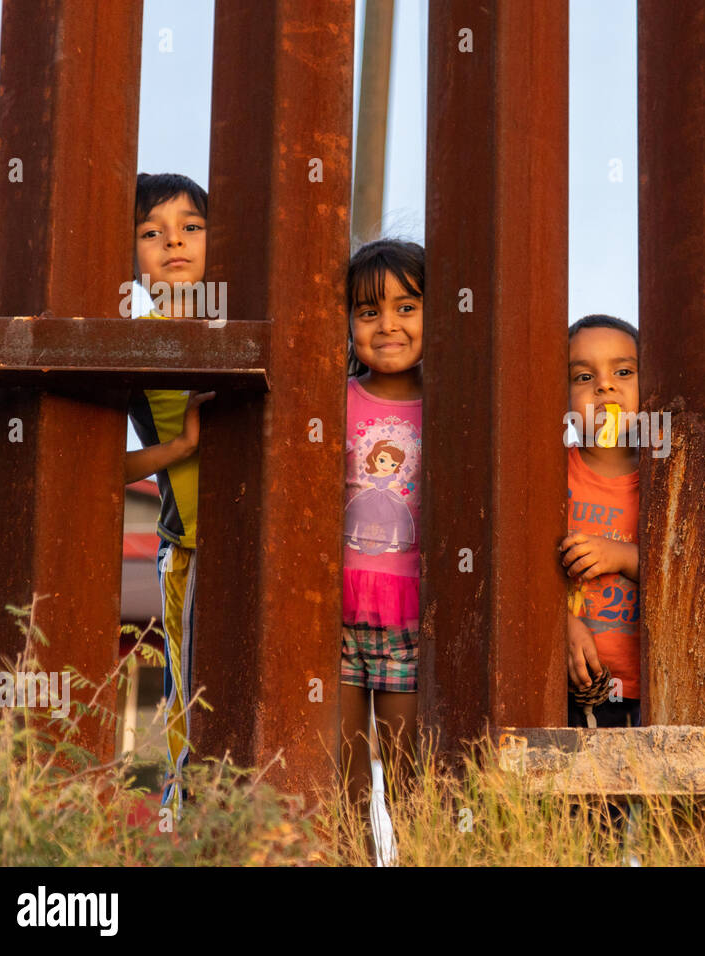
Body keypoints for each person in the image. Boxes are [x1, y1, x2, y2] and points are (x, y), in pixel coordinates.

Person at [125, 172, 216, 816]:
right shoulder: (133, 340)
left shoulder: (248, 320)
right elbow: (102, 463)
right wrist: (180, 448)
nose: (173, 243)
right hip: (189, 549)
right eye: (151, 234)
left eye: (190, 228)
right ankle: (180, 825)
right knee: (192, 696)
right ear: (131, 257)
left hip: (275, 543)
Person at [339, 239, 425, 842]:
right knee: (338, 783)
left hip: (411, 621)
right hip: (335, 617)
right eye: (369, 312)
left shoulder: (452, 403)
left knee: (410, 779)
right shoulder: (334, 398)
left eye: (407, 307)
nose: (387, 324)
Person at [559, 315, 642, 729]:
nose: (605, 385)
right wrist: (561, 622)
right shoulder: (551, 476)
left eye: (623, 372)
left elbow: (688, 574)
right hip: (566, 695)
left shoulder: (667, 480)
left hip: (649, 698)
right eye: (584, 375)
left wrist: (623, 556)